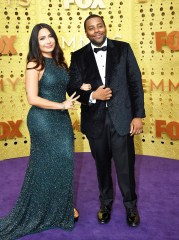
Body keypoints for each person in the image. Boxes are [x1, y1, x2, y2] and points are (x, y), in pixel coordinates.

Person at [0, 23, 90, 240]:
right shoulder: (35, 64)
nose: (48, 40)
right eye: (42, 38)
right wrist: (61, 105)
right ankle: (42, 210)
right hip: (43, 121)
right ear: (35, 42)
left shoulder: (59, 62)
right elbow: (33, 98)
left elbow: (65, 90)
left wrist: (81, 89)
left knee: (64, 162)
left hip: (61, 119)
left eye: (50, 36)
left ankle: (61, 207)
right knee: (44, 164)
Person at [67, 14, 145, 227]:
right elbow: (72, 88)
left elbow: (135, 83)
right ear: (86, 32)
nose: (97, 31)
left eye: (99, 26)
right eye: (91, 28)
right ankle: (106, 205)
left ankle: (131, 207)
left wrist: (137, 115)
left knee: (125, 167)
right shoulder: (78, 56)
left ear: (105, 27)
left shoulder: (123, 49)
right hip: (95, 122)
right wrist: (93, 96)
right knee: (102, 168)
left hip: (122, 120)